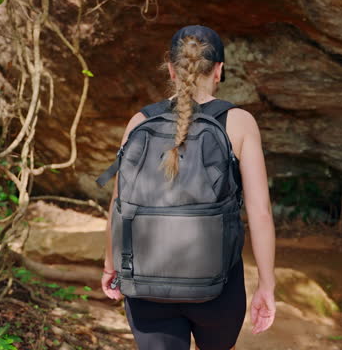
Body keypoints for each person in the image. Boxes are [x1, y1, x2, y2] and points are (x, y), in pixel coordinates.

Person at [100, 25, 276, 350]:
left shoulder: (139, 122)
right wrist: (267, 285)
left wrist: (111, 265)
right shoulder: (238, 123)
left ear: (171, 68)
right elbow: (260, 213)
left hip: (146, 284)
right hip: (217, 286)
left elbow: (119, 203)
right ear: (219, 70)